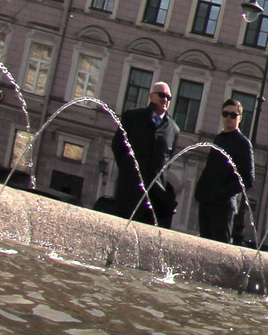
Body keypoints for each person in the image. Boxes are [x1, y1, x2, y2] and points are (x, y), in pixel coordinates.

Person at [109, 81, 179, 227]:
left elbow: (169, 159)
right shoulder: (132, 117)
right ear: (151, 96)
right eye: (161, 95)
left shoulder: (173, 129)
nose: (165, 99)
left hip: (153, 195)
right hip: (129, 189)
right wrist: (127, 169)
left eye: (168, 97)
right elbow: (117, 146)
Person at [193, 98, 255, 244]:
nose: (228, 118)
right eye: (225, 114)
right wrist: (200, 190)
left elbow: (248, 179)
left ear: (240, 118)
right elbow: (211, 168)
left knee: (219, 245)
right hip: (206, 200)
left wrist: (221, 193)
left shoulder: (243, 143)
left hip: (223, 205)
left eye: (233, 115)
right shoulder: (219, 138)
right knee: (204, 244)